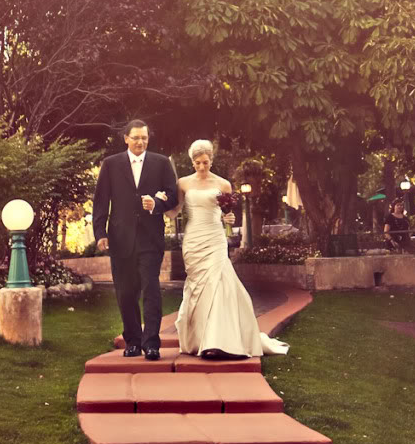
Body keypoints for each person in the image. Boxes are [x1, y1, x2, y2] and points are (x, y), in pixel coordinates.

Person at [171, 139, 289, 358]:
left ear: (211, 160)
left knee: (218, 283)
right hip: (194, 238)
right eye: (197, 163)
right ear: (192, 162)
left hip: (215, 237)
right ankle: (199, 338)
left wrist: (230, 218)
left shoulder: (223, 184)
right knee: (198, 288)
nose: (202, 167)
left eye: (205, 162)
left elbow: (228, 216)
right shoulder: (183, 183)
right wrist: (156, 206)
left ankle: (216, 341)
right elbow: (175, 209)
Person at [92, 119, 178, 360]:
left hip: (151, 238)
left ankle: (152, 343)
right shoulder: (110, 164)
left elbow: (172, 196)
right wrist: (100, 233)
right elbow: (101, 201)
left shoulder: (161, 163)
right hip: (120, 239)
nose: (141, 141)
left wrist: (157, 204)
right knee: (125, 292)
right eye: (136, 137)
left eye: (145, 138)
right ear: (126, 138)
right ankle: (132, 341)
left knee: (151, 290)